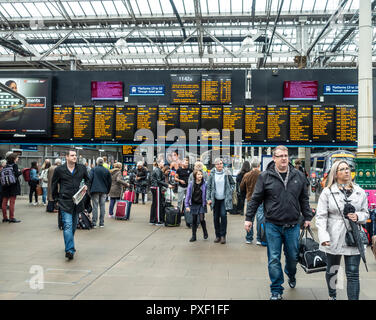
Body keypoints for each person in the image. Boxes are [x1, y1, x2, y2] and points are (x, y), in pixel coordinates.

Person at [244, 145, 313, 300]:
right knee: (274, 258)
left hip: (293, 225)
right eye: (280, 155)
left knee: (292, 257)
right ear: (274, 158)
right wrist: (249, 218)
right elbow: (255, 199)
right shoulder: (265, 177)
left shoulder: (298, 176)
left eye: (286, 155)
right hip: (272, 225)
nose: (284, 158)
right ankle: (276, 290)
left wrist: (307, 217)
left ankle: (291, 273)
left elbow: (304, 199)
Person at [316, 160, 369, 300]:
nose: (347, 171)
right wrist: (323, 237)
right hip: (334, 236)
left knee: (353, 273)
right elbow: (321, 217)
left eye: (348, 168)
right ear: (336, 173)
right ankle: (332, 295)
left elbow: (366, 213)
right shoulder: (327, 192)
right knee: (333, 270)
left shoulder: (360, 192)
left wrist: (358, 216)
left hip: (354, 236)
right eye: (342, 169)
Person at [52, 149, 90, 260]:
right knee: (67, 225)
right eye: (72, 155)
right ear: (67, 157)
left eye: (75, 155)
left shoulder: (81, 168)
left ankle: (69, 243)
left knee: (73, 226)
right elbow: (54, 184)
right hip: (65, 201)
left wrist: (86, 186)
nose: (74, 157)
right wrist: (55, 199)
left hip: (77, 201)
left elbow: (88, 180)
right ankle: (69, 250)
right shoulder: (59, 170)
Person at [206, 158, 235, 244]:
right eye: (218, 164)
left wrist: (230, 191)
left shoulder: (227, 173)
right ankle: (217, 235)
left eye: (221, 163)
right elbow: (209, 187)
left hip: (224, 199)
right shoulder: (211, 174)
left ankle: (223, 236)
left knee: (223, 215)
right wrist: (208, 198)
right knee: (215, 218)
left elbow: (233, 183)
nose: (219, 165)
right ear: (215, 165)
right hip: (215, 199)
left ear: (223, 164)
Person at [240, 158, 264, 245]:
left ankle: (249, 238)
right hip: (261, 200)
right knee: (260, 219)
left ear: (252, 165)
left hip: (250, 199)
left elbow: (241, 187)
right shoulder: (263, 175)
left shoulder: (247, 175)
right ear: (259, 165)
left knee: (250, 219)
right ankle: (259, 239)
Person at [185, 169, 208, 242]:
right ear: (195, 175)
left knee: (201, 219)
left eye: (201, 174)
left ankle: (205, 231)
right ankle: (194, 236)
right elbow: (188, 195)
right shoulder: (191, 184)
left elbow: (208, 193)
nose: (200, 176)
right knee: (194, 220)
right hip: (194, 204)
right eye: (198, 174)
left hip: (202, 204)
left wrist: (208, 200)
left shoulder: (205, 183)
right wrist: (187, 205)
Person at [89, 157, 112, 228]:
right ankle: (101, 223)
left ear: (97, 162)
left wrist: (89, 190)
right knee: (102, 206)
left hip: (95, 190)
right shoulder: (107, 170)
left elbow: (90, 179)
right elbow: (110, 182)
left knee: (95, 206)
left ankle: (94, 223)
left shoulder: (93, 169)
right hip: (104, 191)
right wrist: (107, 190)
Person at [150, 159, 173, 226]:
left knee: (155, 204)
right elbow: (158, 180)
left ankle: (153, 220)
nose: (163, 163)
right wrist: (167, 185)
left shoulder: (157, 170)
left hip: (155, 187)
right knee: (158, 205)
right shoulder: (158, 170)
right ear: (158, 163)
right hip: (156, 187)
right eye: (162, 162)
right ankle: (158, 221)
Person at [1, 153, 21, 223]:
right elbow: (17, 174)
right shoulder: (14, 165)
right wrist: (20, 171)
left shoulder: (5, 166)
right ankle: (11, 217)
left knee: (4, 202)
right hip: (13, 185)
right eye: (17, 157)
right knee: (12, 202)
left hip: (5, 186)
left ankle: (5, 218)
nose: (18, 159)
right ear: (14, 158)